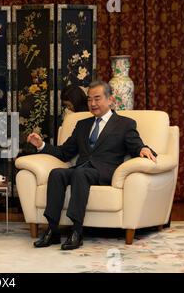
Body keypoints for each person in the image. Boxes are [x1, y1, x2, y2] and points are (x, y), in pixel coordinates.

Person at [27, 80, 157, 250]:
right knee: (57, 173)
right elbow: (65, 152)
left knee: (80, 174)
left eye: (97, 99)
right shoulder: (82, 124)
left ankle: (77, 232)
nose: (92, 104)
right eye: (89, 99)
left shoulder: (125, 124)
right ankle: (53, 230)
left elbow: (135, 144)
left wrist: (143, 148)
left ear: (110, 100)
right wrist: (41, 145)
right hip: (81, 169)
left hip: (104, 172)